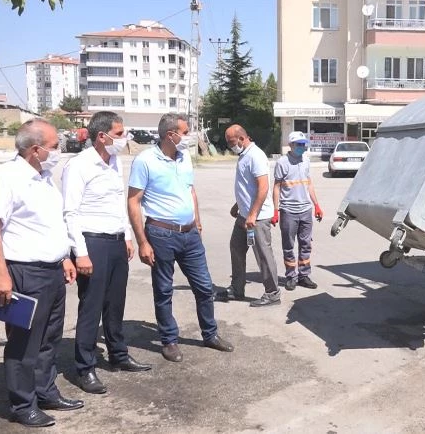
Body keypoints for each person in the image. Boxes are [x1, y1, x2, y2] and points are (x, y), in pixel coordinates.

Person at [0, 119, 82, 428]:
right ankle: (23, 404)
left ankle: (45, 391)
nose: (58, 151)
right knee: (24, 343)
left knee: (49, 338)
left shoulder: (44, 177)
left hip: (51, 270)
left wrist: (63, 256)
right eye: (54, 146)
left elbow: (48, 225)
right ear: (35, 150)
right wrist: (1, 277)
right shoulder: (3, 178)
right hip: (24, 272)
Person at [127, 113, 234, 362]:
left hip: (190, 235)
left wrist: (196, 219)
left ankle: (210, 334)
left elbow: (190, 189)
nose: (188, 137)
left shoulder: (184, 157)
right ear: (170, 135)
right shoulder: (145, 160)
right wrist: (142, 241)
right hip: (161, 234)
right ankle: (169, 340)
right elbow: (134, 201)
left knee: (204, 287)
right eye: (185, 132)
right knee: (164, 290)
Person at [62, 111, 152, 395]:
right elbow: (70, 212)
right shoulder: (79, 166)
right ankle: (85, 368)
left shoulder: (114, 162)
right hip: (92, 243)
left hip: (115, 242)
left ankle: (118, 355)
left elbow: (117, 202)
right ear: (102, 136)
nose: (124, 138)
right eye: (120, 133)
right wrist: (81, 253)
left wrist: (126, 235)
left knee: (115, 304)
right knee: (91, 307)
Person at [221, 124, 281, 307]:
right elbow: (248, 187)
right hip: (244, 215)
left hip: (257, 218)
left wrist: (253, 214)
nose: (230, 146)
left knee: (263, 254)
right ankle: (237, 289)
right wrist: (237, 205)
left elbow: (263, 188)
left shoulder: (256, 156)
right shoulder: (244, 155)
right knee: (236, 249)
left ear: (241, 138)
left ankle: (273, 293)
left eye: (231, 142)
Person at [271, 131, 324, 290]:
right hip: (288, 211)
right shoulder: (282, 162)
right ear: (291, 145)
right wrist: (275, 210)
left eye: (304, 144)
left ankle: (304, 275)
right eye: (299, 144)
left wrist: (316, 205)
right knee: (288, 245)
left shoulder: (306, 161)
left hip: (305, 210)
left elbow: (309, 184)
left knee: (306, 244)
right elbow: (276, 187)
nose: (302, 147)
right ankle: (291, 276)